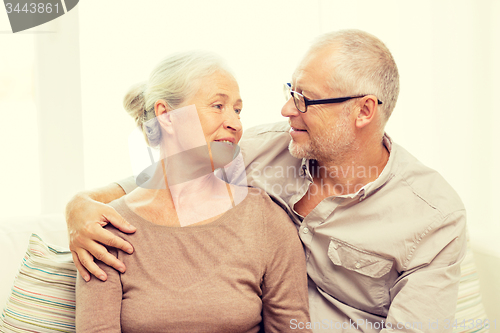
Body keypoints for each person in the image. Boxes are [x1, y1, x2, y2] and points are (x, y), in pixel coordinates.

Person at [68, 30, 467, 332]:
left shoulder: (433, 218)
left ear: (363, 111)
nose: (286, 109)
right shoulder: (264, 148)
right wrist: (81, 205)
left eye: (305, 99)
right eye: (290, 91)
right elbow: (169, 176)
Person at [74, 51, 311, 333]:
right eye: (217, 105)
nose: (235, 124)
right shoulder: (106, 230)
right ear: (166, 116)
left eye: (237, 110)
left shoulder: (265, 220)